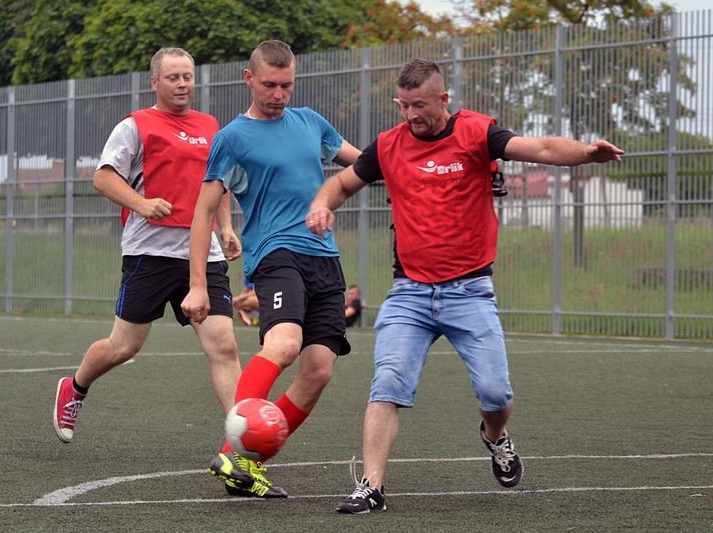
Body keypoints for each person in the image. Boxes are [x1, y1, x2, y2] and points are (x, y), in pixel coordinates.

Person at [307, 58, 625, 514]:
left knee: (496, 395)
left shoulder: (479, 133)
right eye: (405, 105)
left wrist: (586, 153)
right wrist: (322, 205)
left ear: (444, 99)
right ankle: (371, 486)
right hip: (410, 293)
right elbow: (340, 183)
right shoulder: (388, 146)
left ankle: (494, 436)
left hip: (470, 292)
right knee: (387, 384)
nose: (413, 114)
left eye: (422, 105)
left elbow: (544, 149)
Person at [181, 40, 361, 498]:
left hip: (324, 256)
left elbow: (366, 164)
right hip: (275, 252)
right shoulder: (232, 138)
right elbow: (202, 212)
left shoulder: (310, 123)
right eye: (269, 85)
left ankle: (244, 462)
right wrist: (198, 285)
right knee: (284, 345)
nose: (278, 94)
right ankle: (231, 451)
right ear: (249, 79)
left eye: (286, 85)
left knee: (319, 370)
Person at [52, 47, 243, 447]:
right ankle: (75, 387)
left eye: (187, 76)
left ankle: (242, 442)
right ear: (154, 82)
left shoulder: (212, 126)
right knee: (123, 347)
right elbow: (103, 179)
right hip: (150, 253)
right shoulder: (136, 125)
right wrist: (141, 204)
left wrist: (225, 227)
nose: (182, 84)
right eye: (173, 77)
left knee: (223, 344)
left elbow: (217, 185)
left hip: (201, 255)